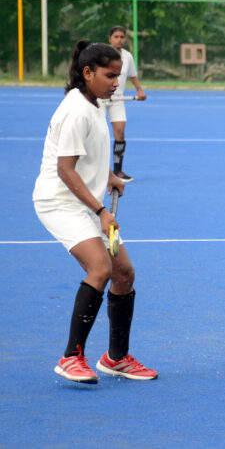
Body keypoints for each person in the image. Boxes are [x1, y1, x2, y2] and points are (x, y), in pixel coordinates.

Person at [33, 40, 157, 384]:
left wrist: (109, 176)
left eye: (119, 76)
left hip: (85, 199)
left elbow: (90, 156)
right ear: (87, 73)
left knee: (124, 274)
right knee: (101, 268)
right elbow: (66, 170)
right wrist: (101, 209)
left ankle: (116, 358)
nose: (116, 83)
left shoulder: (95, 103)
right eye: (110, 75)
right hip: (60, 201)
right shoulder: (75, 110)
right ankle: (71, 356)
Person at [105, 25, 147, 182]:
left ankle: (117, 171)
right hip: (100, 98)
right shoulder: (102, 54)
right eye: (116, 36)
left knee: (120, 133)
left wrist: (139, 90)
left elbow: (132, 75)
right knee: (95, 133)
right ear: (110, 38)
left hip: (117, 99)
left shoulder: (127, 56)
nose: (119, 39)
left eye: (122, 37)